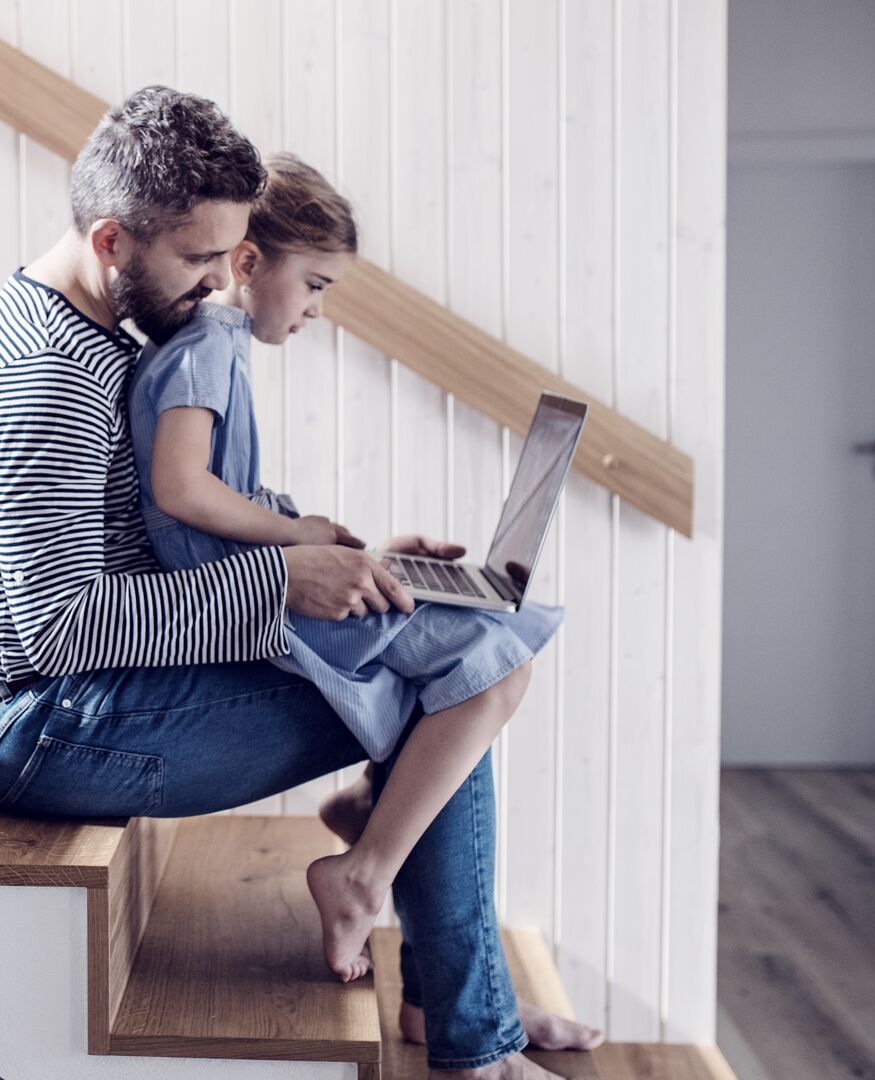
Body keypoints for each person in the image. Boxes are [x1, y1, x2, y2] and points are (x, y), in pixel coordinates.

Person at [0, 85, 601, 1078]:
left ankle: (454, 992)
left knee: (449, 653)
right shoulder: (47, 375)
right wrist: (286, 581)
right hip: (42, 725)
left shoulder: (96, 327)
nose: (218, 284)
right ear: (112, 240)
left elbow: (159, 535)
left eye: (232, 255)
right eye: (200, 260)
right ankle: (470, 1032)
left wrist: (351, 566)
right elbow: (62, 628)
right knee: (449, 680)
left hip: (92, 692)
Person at [125, 152, 563, 984]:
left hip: (262, 581)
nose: (319, 309)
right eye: (317, 285)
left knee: (482, 647)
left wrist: (321, 538)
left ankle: (372, 810)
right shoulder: (208, 347)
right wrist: (297, 538)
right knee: (498, 666)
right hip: (252, 602)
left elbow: (213, 488)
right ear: (249, 264)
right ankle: (363, 872)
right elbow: (180, 489)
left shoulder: (211, 344)